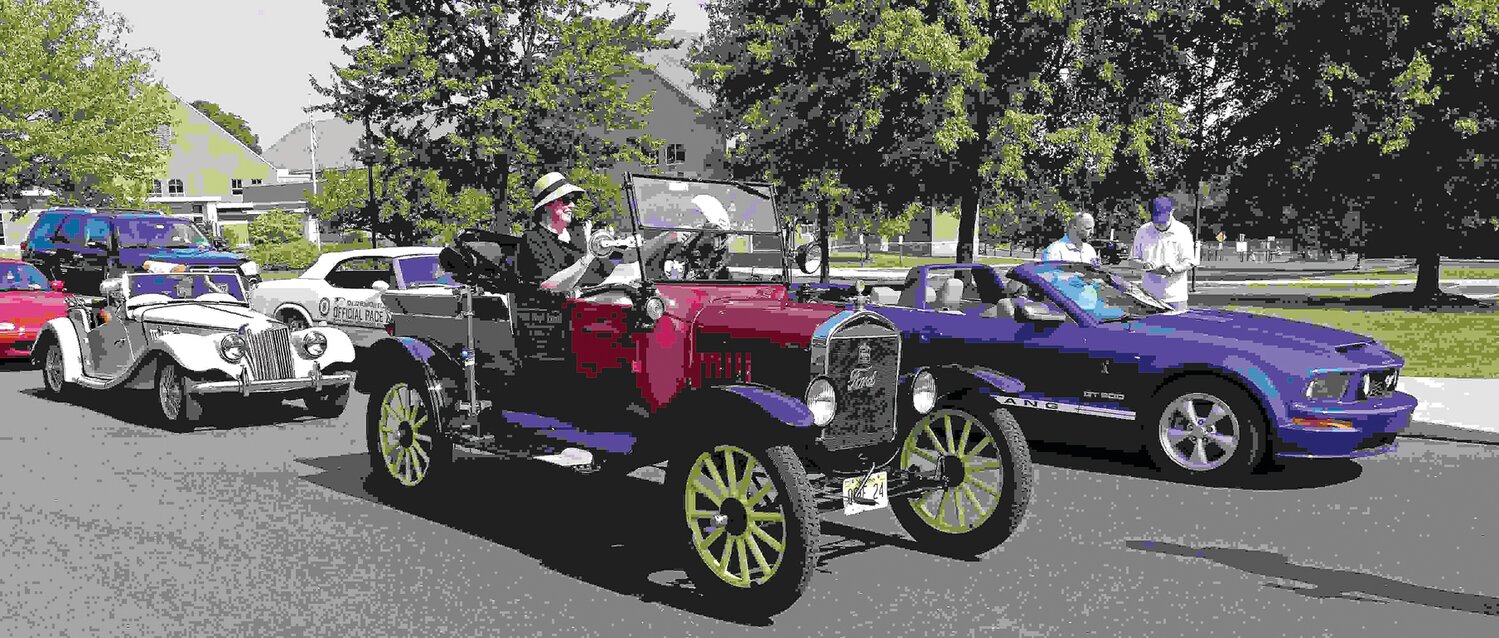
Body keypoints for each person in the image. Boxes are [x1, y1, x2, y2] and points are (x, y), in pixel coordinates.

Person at [1129, 196, 1199, 310]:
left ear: (1171, 212)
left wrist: (1173, 269)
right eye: (1156, 221)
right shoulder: (1143, 231)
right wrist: (1143, 265)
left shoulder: (1182, 231)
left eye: (1163, 221)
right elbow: (1132, 260)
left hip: (1175, 298)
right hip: (1148, 298)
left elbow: (1189, 261)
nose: (1160, 225)